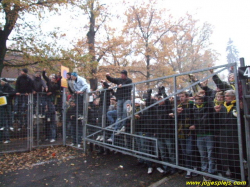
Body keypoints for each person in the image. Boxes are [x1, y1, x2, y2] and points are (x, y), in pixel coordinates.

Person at [214, 90, 241, 180]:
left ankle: (238, 176)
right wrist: (216, 113)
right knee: (225, 156)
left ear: (234, 97)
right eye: (225, 96)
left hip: (235, 135)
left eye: (228, 96)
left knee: (235, 157)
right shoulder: (222, 107)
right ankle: (227, 174)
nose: (225, 97)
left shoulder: (238, 106)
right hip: (224, 136)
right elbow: (217, 122)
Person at [193, 94, 216, 181]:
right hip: (199, 135)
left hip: (208, 133)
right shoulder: (193, 108)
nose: (198, 101)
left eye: (200, 99)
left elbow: (210, 102)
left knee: (210, 154)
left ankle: (211, 171)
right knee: (203, 155)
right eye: (197, 99)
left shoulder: (208, 107)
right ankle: (204, 171)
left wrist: (205, 94)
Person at [42, 68, 59, 143]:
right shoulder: (48, 82)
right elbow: (44, 77)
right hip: (47, 105)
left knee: (52, 124)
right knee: (47, 124)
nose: (52, 79)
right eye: (51, 77)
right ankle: (48, 136)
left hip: (51, 108)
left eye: (53, 78)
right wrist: (44, 71)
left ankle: (53, 137)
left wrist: (51, 93)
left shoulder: (56, 85)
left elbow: (56, 90)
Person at [0, 78, 16, 143]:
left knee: (8, 116)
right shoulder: (1, 87)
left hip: (7, 103)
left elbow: (13, 92)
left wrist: (7, 94)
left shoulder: (8, 87)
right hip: (2, 104)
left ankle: (9, 126)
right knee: (2, 115)